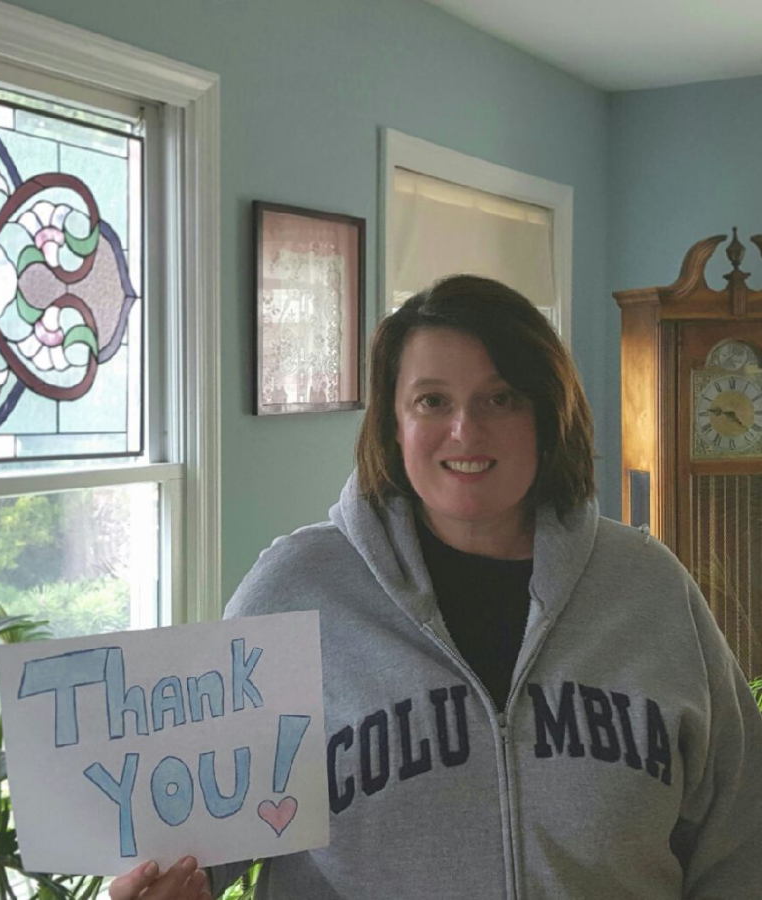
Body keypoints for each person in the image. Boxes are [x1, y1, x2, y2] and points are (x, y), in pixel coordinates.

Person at [111, 275, 762, 899]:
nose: (466, 431)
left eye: (501, 397)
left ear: (547, 411)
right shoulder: (294, 593)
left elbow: (742, 841)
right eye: (432, 401)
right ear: (394, 423)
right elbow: (201, 847)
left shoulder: (651, 590)